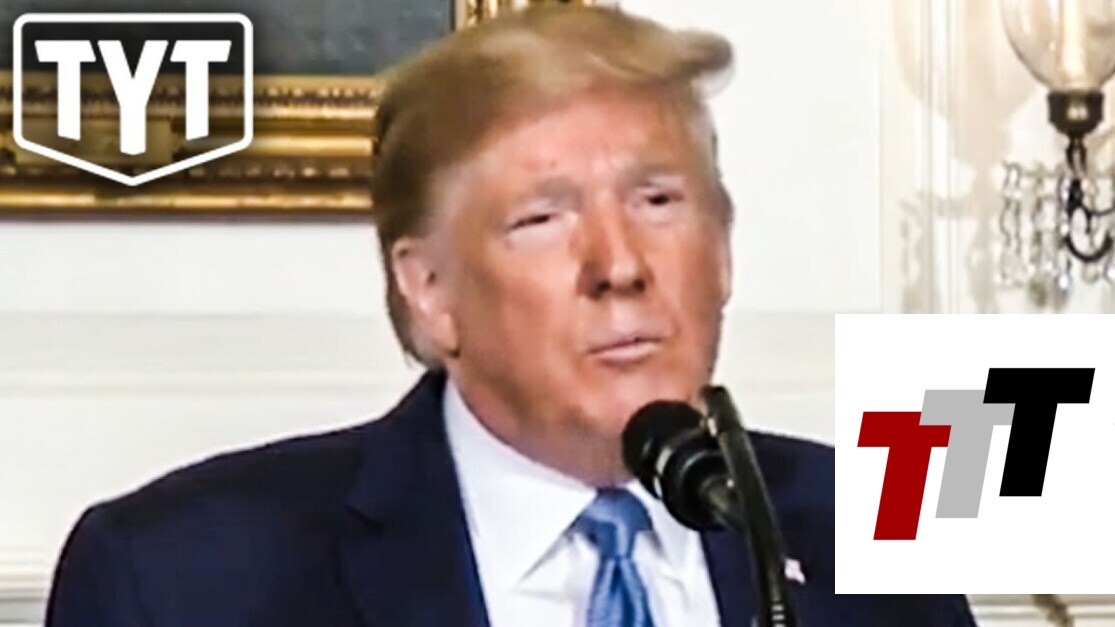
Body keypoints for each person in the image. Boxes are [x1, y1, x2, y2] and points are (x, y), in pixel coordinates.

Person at [45, 5, 976, 626]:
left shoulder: (866, 538)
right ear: (430, 290)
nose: (619, 264)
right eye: (542, 219)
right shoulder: (182, 581)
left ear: (723, 249)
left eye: (657, 201)